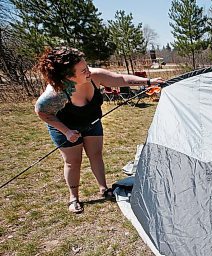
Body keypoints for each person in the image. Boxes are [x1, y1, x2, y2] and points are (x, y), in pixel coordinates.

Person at [35, 46, 165, 213]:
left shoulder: (95, 77)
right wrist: (66, 131)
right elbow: (42, 112)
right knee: (73, 161)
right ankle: (73, 197)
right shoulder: (56, 93)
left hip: (91, 121)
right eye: (83, 70)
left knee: (95, 154)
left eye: (87, 66)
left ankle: (104, 189)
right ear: (68, 76)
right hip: (65, 126)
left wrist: (148, 82)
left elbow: (120, 79)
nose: (88, 71)